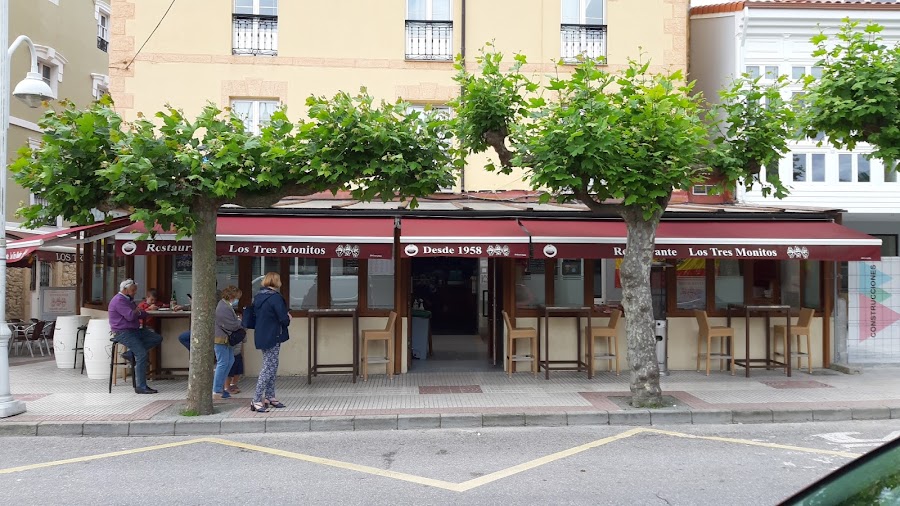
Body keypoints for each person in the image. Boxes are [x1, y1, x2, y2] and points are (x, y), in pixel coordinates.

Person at [108, 279, 163, 394]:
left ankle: (130, 354)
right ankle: (141, 386)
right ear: (125, 290)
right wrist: (137, 311)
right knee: (142, 354)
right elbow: (130, 316)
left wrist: (139, 311)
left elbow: (140, 313)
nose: (134, 293)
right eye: (133, 290)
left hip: (133, 330)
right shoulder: (119, 300)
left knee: (157, 338)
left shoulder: (128, 299)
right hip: (123, 332)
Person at [250, 272, 291, 413]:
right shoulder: (275, 298)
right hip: (274, 335)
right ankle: (256, 399)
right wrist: (288, 317)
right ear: (276, 282)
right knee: (268, 367)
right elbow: (283, 319)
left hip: (261, 335)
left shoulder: (258, 297)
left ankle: (270, 396)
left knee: (272, 365)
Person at [214, 286, 243, 400]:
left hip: (226, 339)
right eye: (236, 298)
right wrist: (239, 322)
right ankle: (217, 389)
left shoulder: (226, 305)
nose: (237, 300)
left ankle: (221, 389)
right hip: (221, 339)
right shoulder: (223, 307)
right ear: (231, 296)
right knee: (222, 363)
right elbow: (231, 324)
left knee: (229, 361)